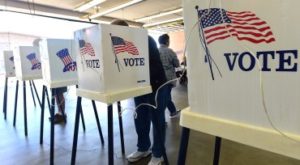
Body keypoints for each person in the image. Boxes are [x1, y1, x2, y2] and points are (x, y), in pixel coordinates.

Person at [110, 19, 169, 165]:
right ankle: (143, 148)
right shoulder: (117, 44)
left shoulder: (144, 39)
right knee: (140, 118)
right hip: (139, 87)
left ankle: (158, 153)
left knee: (157, 120)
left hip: (156, 86)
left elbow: (154, 65)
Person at [158, 34, 180, 118]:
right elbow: (177, 64)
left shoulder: (156, 51)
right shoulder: (170, 51)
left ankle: (173, 111)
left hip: (158, 78)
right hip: (168, 78)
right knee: (165, 97)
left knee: (165, 95)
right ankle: (161, 118)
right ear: (167, 41)